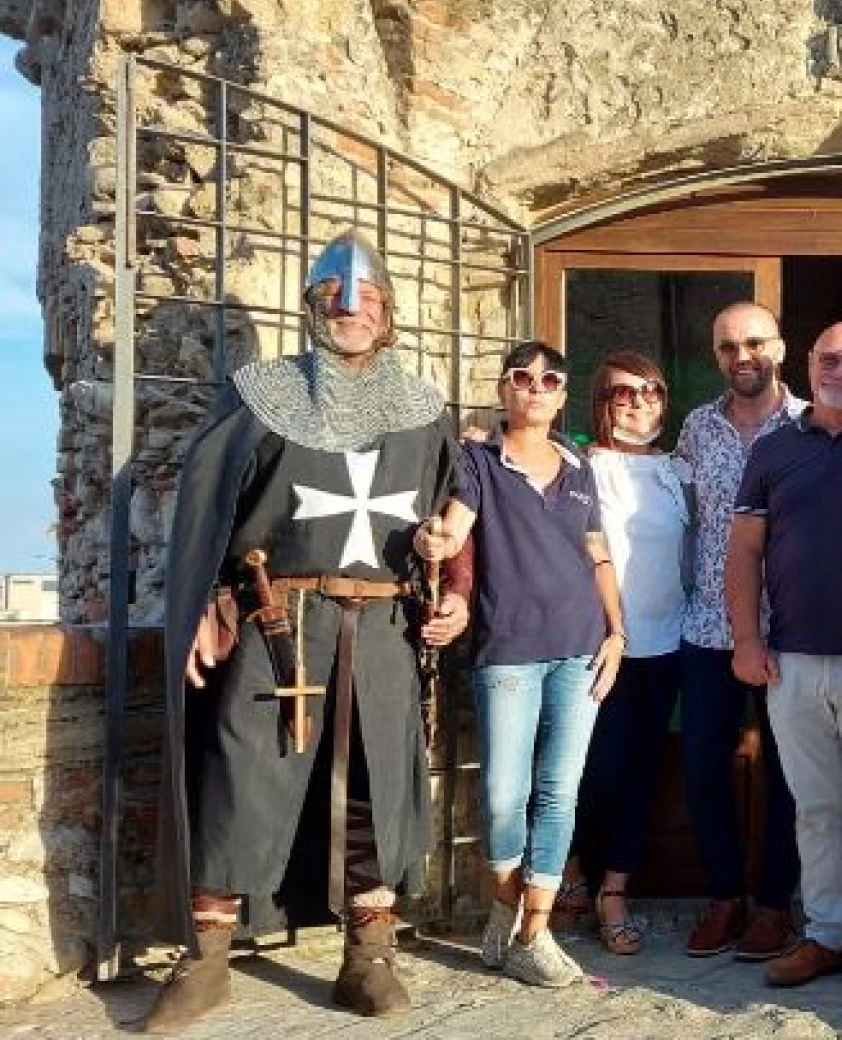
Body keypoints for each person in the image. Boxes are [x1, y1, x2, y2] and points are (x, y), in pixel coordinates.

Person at [146, 230, 472, 1032]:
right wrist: (200, 608)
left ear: (389, 314)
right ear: (311, 306)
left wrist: (455, 583)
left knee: (377, 787)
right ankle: (209, 957)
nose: (351, 311)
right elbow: (209, 510)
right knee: (242, 773)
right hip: (275, 617)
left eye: (366, 301)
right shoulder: (262, 393)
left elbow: (460, 513)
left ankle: (369, 955)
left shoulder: (425, 410)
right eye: (334, 298)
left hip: (387, 623)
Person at [416, 340, 626, 988]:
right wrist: (433, 538)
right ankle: (505, 903)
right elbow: (455, 526)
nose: (535, 387)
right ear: (506, 389)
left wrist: (618, 631)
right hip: (507, 649)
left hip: (581, 646)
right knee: (505, 795)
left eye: (549, 379)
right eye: (522, 377)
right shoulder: (478, 460)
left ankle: (533, 931)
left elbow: (597, 554)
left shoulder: (578, 466)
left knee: (560, 791)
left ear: (561, 395)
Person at [726, 321, 842, 999]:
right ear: (808, 362)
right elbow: (743, 551)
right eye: (830, 359)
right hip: (792, 662)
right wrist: (746, 638)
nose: (841, 372)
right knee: (815, 808)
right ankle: (827, 936)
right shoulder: (772, 451)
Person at [673, 302, 805, 962]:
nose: (741, 356)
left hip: (790, 631)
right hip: (708, 628)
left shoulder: (813, 423)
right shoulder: (697, 427)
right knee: (702, 766)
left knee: (789, 777)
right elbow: (675, 509)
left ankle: (776, 905)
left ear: (779, 346)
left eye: (754, 342)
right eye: (727, 347)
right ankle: (726, 895)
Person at [571, 349, 692, 955]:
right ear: (602, 402)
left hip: (666, 640)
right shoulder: (580, 463)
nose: (639, 401)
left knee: (642, 771)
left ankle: (613, 889)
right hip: (599, 642)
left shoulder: (678, 470)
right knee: (593, 771)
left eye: (650, 390)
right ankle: (567, 872)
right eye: (623, 392)